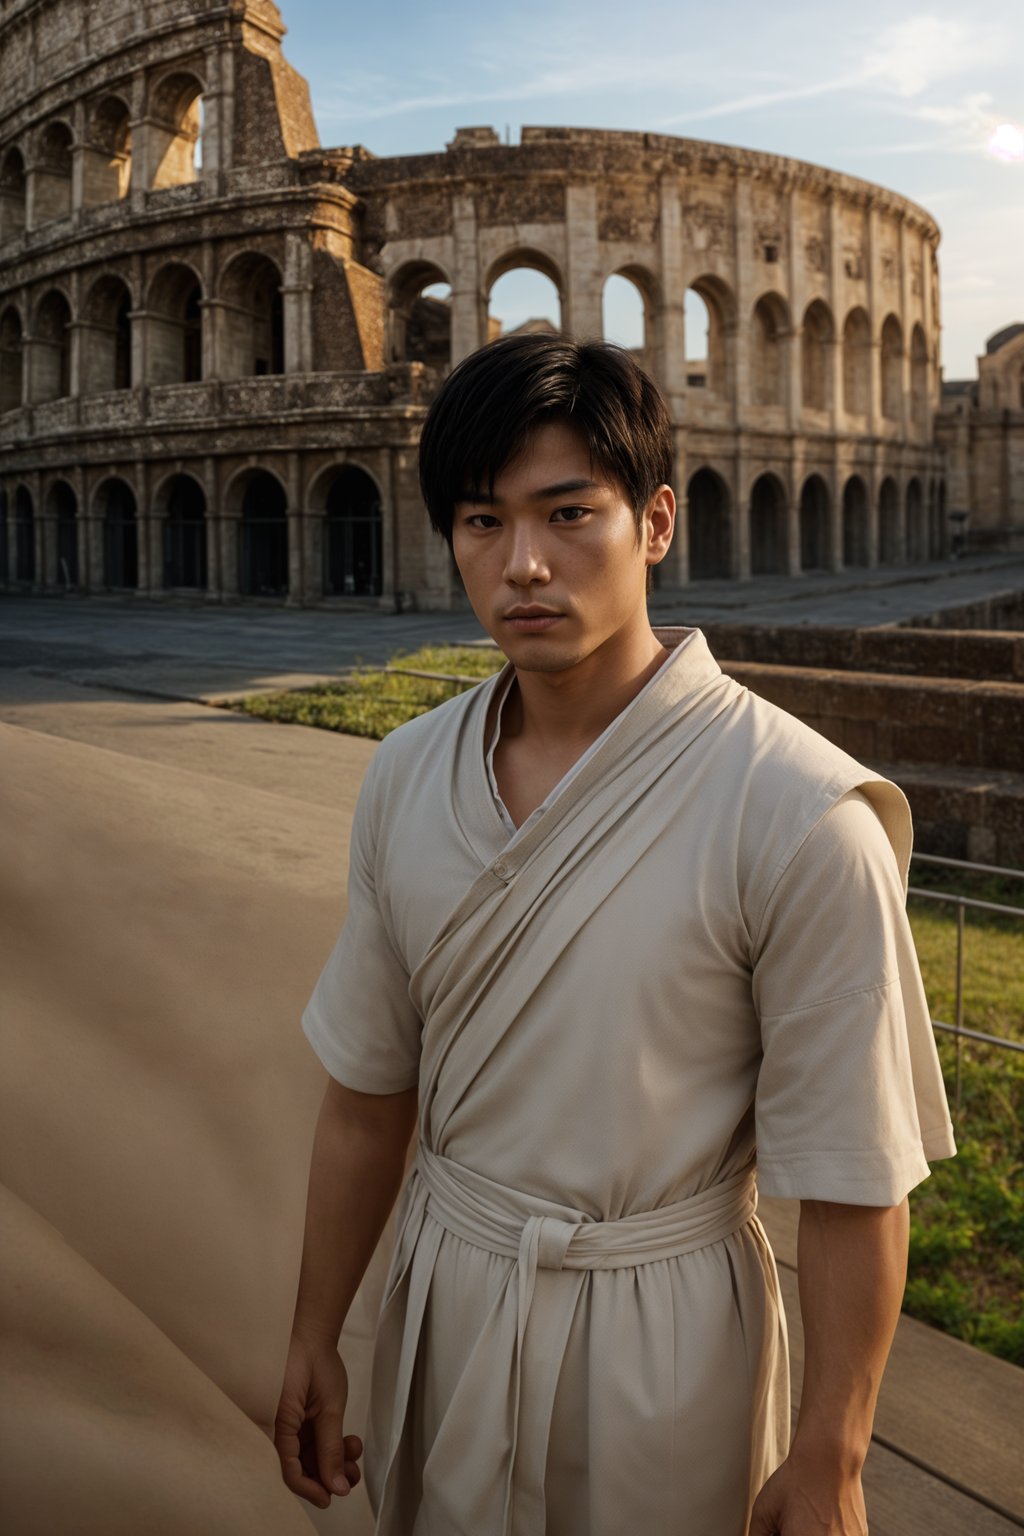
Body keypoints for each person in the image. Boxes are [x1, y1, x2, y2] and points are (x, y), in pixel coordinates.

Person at [274, 333, 956, 1535]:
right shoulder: (406, 776)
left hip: (666, 1331)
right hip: (446, 1300)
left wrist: (831, 1455)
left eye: (568, 513)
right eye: (482, 522)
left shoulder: (799, 813)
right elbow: (368, 1093)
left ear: (654, 522)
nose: (523, 564)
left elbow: (852, 1177)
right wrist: (316, 1329)